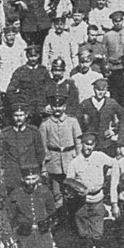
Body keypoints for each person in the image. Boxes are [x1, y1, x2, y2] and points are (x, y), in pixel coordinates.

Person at [65, 130, 114, 248]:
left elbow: (115, 163)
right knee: (83, 233)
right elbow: (69, 181)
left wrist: (109, 176)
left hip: (98, 199)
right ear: (81, 144)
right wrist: (76, 190)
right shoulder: (75, 162)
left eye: (91, 145)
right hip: (82, 202)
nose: (88, 148)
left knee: (97, 233)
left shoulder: (100, 157)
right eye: (86, 144)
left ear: (95, 145)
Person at [39, 86, 82, 214]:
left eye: (60, 106)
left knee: (72, 192)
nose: (57, 109)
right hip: (54, 163)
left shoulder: (72, 122)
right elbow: (43, 148)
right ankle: (61, 223)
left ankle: (73, 221)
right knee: (57, 195)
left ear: (64, 107)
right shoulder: (45, 124)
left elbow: (78, 142)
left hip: (71, 160)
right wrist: (44, 168)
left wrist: (80, 161)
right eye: (54, 106)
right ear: (51, 107)